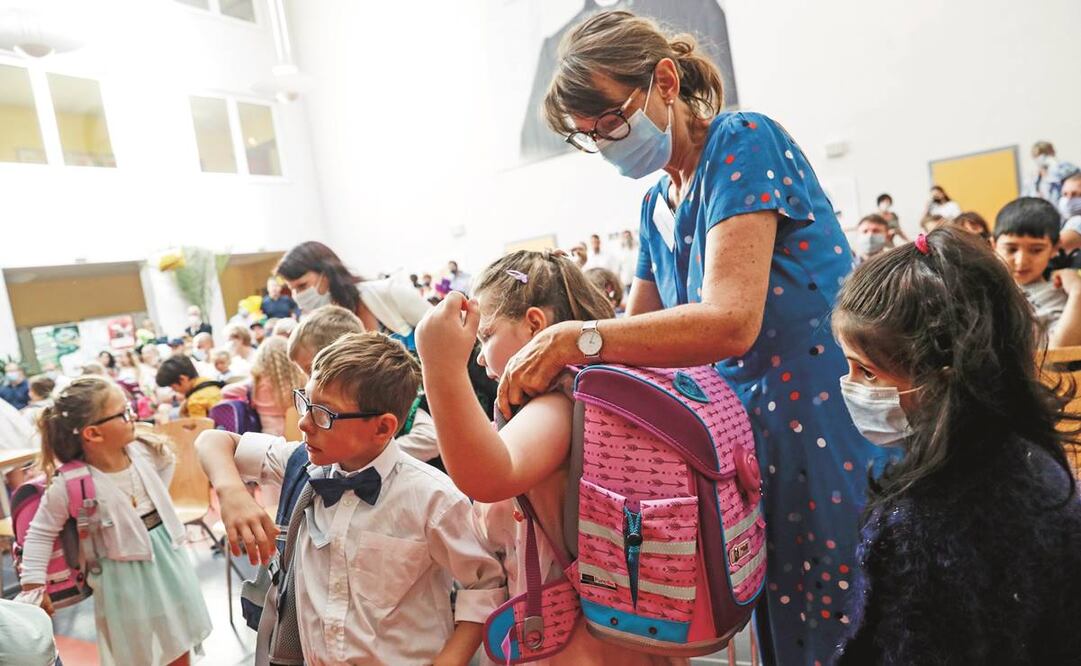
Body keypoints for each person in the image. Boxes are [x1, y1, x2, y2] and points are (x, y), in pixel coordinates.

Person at [521, 10, 892, 664]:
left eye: (612, 122)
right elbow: (636, 344)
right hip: (739, 440)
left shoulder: (742, 142)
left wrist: (575, 340)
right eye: (590, 136)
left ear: (665, 82)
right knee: (773, 607)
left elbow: (729, 321)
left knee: (838, 608)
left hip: (815, 418)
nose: (607, 144)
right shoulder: (655, 205)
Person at [418, 251, 686, 665]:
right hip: (617, 626)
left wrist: (439, 365)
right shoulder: (591, 393)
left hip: (580, 642)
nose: (479, 356)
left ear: (534, 324)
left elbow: (487, 477)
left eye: (486, 336)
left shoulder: (559, 404)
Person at [832, 227, 1081, 664]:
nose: (849, 386)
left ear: (944, 378)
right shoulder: (1036, 463)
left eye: (867, 372)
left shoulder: (920, 528)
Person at [195, 333, 507, 664]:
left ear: (382, 428)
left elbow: (485, 586)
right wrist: (232, 493)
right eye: (306, 402)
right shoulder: (300, 464)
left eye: (324, 414)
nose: (304, 423)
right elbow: (211, 440)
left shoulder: (433, 499)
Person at [19, 377, 212, 666]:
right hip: (120, 574)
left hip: (165, 557)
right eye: (123, 413)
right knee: (137, 647)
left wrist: (146, 506)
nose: (133, 416)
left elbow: (166, 463)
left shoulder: (144, 450)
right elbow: (40, 533)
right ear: (93, 433)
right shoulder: (70, 483)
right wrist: (33, 584)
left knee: (178, 634)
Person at [287, 305, 439, 463]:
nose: (310, 380)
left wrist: (373, 456)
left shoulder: (384, 389)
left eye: (311, 371)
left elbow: (430, 437)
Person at [275, 241, 430, 348]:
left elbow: (440, 330)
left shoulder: (388, 293)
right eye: (292, 289)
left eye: (302, 285)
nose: (298, 295)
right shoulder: (320, 330)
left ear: (326, 273)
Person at [993, 197, 1081, 349]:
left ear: (1055, 248)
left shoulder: (1059, 295)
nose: (1021, 261)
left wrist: (1077, 292)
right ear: (993, 245)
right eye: (1011, 249)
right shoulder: (983, 287)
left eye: (1036, 250)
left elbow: (1056, 355)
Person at [221, 336, 306, 436]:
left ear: (262, 358)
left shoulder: (258, 381)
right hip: (297, 433)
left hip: (269, 437)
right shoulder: (297, 380)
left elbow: (225, 391)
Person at [155, 355, 223, 419]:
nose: (174, 391)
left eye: (173, 387)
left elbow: (199, 426)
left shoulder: (195, 401)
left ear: (183, 379)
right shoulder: (208, 382)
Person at [1057, 171, 1081, 253]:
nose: (1068, 200)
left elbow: (1050, 249)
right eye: (1065, 194)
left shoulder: (1077, 222)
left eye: (1074, 194)